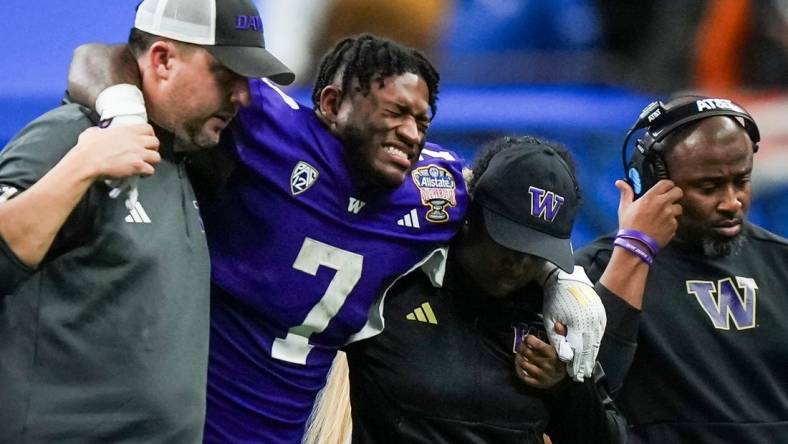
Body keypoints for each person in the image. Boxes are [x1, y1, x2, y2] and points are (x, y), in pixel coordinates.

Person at [69, 34, 605, 443]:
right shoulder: (267, 128)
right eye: (395, 112)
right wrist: (123, 111)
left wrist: (562, 275)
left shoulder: (434, 191)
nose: (412, 133)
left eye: (423, 119)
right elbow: (97, 57)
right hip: (176, 421)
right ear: (329, 103)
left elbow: (501, 214)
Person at [0, 0, 294, 442]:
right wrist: (80, 165)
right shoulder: (68, 137)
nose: (244, 95)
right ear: (162, 60)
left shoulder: (183, 157)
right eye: (226, 75)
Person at [341, 136, 623, 443]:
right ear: (471, 216)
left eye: (538, 252)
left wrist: (565, 386)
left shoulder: (554, 317)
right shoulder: (397, 280)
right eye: (510, 242)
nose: (519, 265)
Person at [577, 95, 788, 442]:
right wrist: (634, 251)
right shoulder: (599, 272)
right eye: (709, 186)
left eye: (742, 181)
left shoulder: (781, 263)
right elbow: (586, 391)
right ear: (651, 181)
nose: (732, 202)